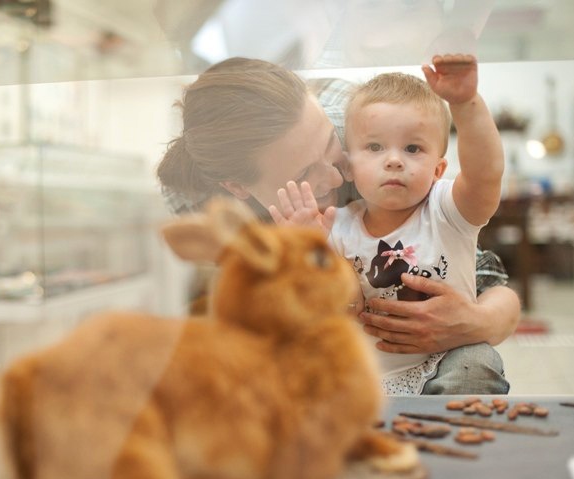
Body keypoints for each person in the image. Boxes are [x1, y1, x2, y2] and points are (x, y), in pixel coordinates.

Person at [157, 57, 519, 394]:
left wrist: (476, 322)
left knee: (474, 363)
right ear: (237, 187)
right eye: (304, 174)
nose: (335, 177)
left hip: (437, 362)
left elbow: (484, 275)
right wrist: (302, 259)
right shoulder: (200, 210)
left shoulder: (371, 128)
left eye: (332, 143)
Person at [271, 54, 505, 394]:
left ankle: (450, 424)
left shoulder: (447, 210)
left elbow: (485, 175)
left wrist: (465, 103)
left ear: (438, 169)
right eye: (375, 147)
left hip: (443, 365)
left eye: (412, 148)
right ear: (349, 167)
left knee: (477, 361)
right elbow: (334, 307)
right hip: (360, 377)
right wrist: (307, 252)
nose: (394, 160)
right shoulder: (336, 226)